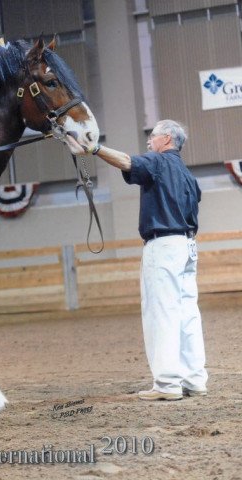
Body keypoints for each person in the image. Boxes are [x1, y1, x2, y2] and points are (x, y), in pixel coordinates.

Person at [79, 119, 208, 401]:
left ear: (167, 140)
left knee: (161, 312)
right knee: (187, 313)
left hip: (163, 245)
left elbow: (127, 162)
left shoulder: (157, 163)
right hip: (188, 245)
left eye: (153, 136)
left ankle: (167, 383)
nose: (149, 140)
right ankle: (194, 378)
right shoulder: (187, 174)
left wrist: (95, 148)